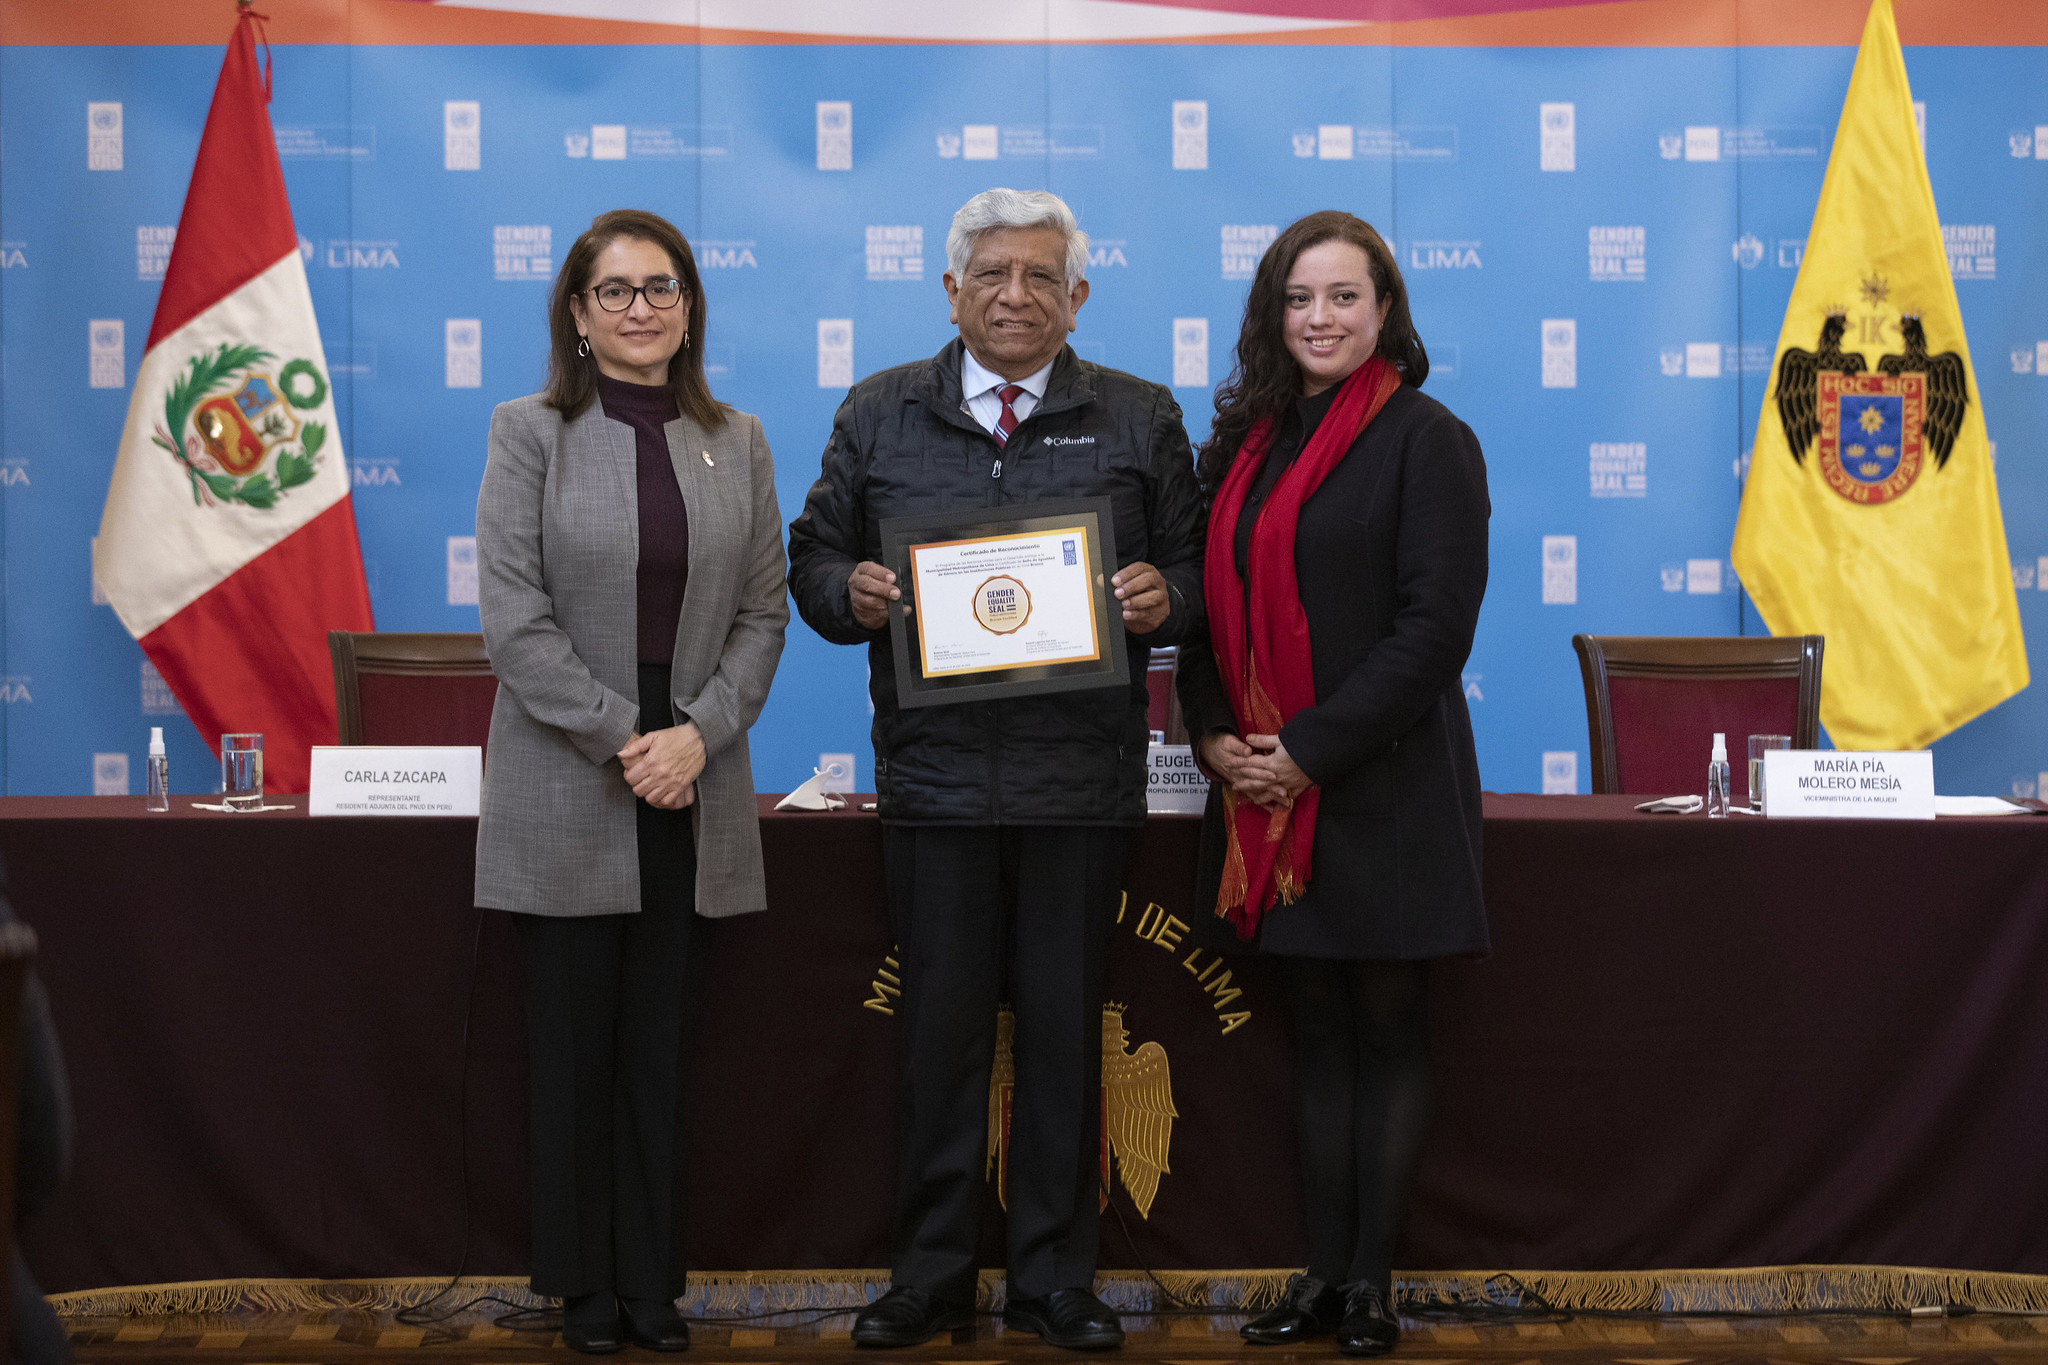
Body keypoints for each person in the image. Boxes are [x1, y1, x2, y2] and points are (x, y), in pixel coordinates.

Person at [787, 188, 1205, 1352]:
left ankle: (1052, 1282)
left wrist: (1165, 598)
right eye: (990, 274)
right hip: (934, 788)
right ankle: (926, 1278)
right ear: (949, 291)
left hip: (1079, 787)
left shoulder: (1138, 415)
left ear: (1077, 297)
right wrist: (849, 592)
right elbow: (810, 558)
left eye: (1039, 277)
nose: (1013, 296)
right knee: (937, 1043)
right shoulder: (878, 410)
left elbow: (1197, 571)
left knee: (1067, 1043)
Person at [1176, 210, 1490, 1357]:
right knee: (1312, 1036)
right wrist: (1213, 734)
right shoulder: (1240, 446)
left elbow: (1431, 632)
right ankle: (1317, 1277)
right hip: (1262, 791)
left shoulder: (1427, 439)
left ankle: (1369, 1287)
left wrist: (1306, 749)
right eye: (1298, 298)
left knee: (1385, 1033)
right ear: (1272, 313)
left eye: (1343, 296)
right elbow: (1201, 611)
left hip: (1381, 792)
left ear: (1384, 310)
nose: (1319, 318)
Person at [474, 209, 788, 1355]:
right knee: (571, 1055)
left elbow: (763, 614)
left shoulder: (737, 439)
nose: (640, 308)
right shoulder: (529, 432)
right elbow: (513, 621)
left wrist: (696, 736)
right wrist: (628, 738)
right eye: (614, 291)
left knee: (661, 1051)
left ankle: (651, 1281)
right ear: (577, 313)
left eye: (661, 288)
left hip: (693, 777)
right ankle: (582, 1288)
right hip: (572, 771)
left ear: (689, 308)